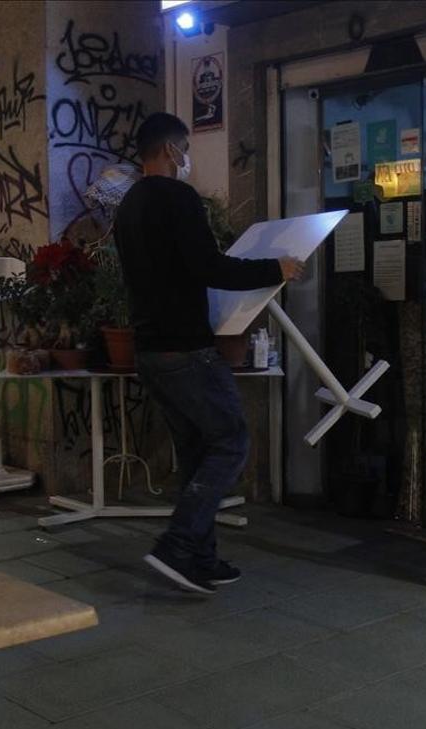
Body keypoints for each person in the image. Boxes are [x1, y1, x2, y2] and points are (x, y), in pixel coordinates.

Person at [115, 112, 304, 594]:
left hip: (151, 347)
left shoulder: (129, 203)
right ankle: (179, 545)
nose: (186, 159)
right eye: (185, 148)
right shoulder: (177, 197)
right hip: (185, 346)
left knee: (198, 452)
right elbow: (207, 266)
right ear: (171, 149)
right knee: (231, 440)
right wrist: (274, 267)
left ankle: (199, 558)